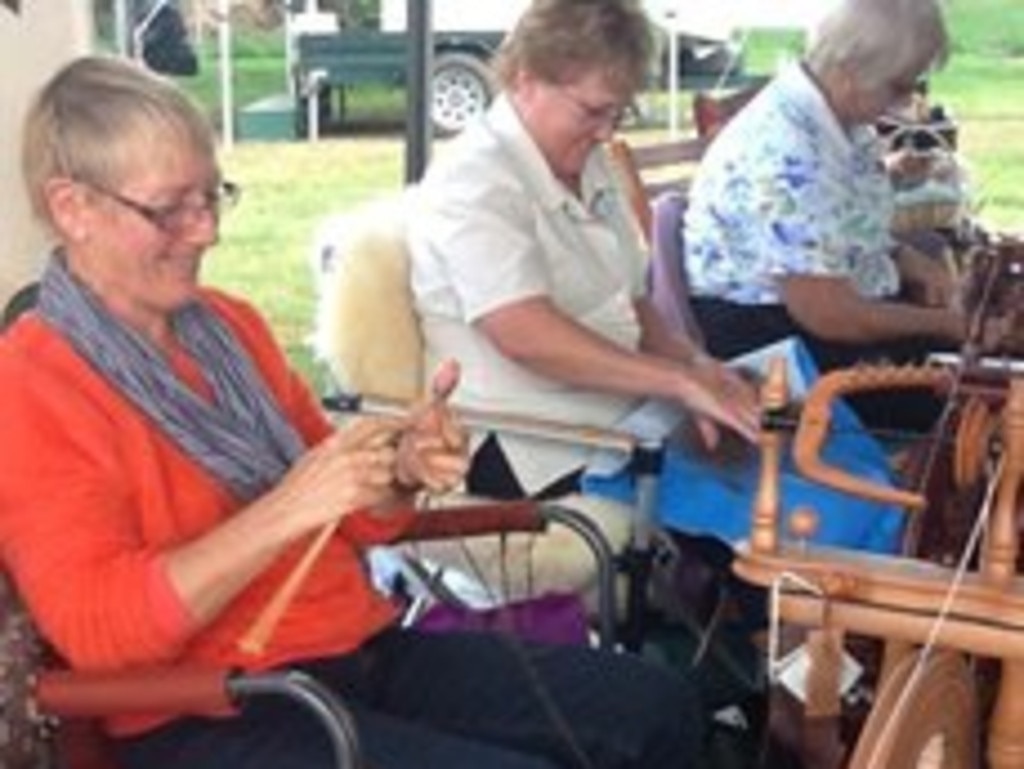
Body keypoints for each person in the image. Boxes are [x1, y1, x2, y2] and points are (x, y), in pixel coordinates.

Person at [0, 54, 710, 769]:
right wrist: (288, 507)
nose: (205, 231)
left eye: (213, 197)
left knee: (658, 705)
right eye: (169, 208)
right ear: (73, 208)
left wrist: (399, 467)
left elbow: (365, 523)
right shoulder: (31, 384)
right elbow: (100, 630)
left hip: (351, 649)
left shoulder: (227, 326)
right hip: (208, 709)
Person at [408, 0, 760, 503]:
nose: (607, 132)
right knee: (756, 513)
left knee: (768, 472)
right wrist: (680, 382)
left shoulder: (583, 159)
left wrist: (701, 369)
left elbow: (633, 304)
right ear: (525, 79)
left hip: (615, 418)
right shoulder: (475, 180)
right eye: (593, 110)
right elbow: (524, 334)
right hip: (529, 443)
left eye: (620, 112)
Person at [682, 0, 983, 433]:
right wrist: (951, 325)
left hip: (825, 321)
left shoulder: (838, 117)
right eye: (901, 85)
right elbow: (829, 314)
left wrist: (903, 258)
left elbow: (837, 226)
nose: (910, 99)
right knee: (973, 402)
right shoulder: (788, 153)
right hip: (778, 351)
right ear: (849, 73)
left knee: (985, 375)